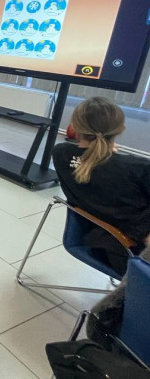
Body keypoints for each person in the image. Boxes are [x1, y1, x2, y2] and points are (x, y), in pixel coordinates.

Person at [52, 97, 150, 275]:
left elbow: (93, 166)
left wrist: (108, 156)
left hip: (98, 242)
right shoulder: (137, 168)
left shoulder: (60, 154)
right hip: (135, 258)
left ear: (74, 127)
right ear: (121, 129)